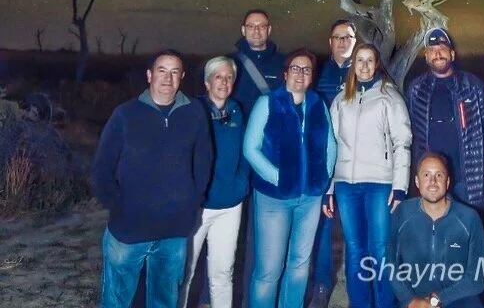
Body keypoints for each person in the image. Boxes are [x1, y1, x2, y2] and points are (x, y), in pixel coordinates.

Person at [91, 49, 212, 308]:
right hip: (128, 230)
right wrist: (118, 207)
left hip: (173, 230)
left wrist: (192, 204)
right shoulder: (125, 114)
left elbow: (204, 163)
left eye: (174, 72)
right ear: (149, 75)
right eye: (161, 70)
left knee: (165, 300)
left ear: (182, 77)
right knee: (116, 300)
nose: (167, 78)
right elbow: (101, 168)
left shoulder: (195, 113)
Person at [243, 48, 336, 308]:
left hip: (309, 199)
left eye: (306, 69)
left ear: (312, 76)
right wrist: (278, 177)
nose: (300, 73)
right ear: (285, 73)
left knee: (299, 265)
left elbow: (331, 145)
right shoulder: (268, 103)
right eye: (295, 68)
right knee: (268, 270)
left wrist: (323, 178)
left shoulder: (318, 104)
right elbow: (250, 148)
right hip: (274, 198)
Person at [326, 41, 412, 308]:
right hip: (346, 186)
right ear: (353, 65)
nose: (363, 66)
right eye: (359, 60)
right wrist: (329, 188)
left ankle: (386, 303)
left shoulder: (389, 97)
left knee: (380, 250)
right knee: (354, 250)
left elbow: (403, 141)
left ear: (377, 65)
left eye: (369, 60)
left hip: (379, 183)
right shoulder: (341, 99)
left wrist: (400, 186)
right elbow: (331, 145)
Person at [405, 27, 484, 219]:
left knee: (470, 229)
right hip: (432, 179)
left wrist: (475, 152)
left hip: (468, 178)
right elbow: (410, 130)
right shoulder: (416, 89)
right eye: (432, 50)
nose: (438, 54)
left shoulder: (472, 86)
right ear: (426, 56)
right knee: (435, 232)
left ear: (452, 54)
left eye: (442, 49)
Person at [180, 57, 249, 308]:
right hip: (199, 206)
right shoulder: (193, 110)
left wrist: (241, 184)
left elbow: (244, 151)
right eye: (218, 77)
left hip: (230, 205)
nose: (224, 82)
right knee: (184, 272)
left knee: (222, 273)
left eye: (229, 77)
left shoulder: (236, 110)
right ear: (207, 82)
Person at [389, 153, 484, 308]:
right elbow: (390, 264)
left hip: (458, 298)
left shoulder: (469, 218)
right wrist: (409, 300)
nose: (433, 182)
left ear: (447, 182)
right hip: (415, 299)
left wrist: (438, 299)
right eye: (426, 175)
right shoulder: (402, 214)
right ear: (417, 181)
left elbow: (477, 278)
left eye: (439, 175)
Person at [308, 19, 358, 308]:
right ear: (330, 42)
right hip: (324, 159)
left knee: (353, 224)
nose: (342, 42)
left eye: (348, 37)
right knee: (324, 225)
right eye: (337, 37)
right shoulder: (318, 74)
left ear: (355, 40)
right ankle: (322, 284)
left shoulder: (363, 70)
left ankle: (355, 283)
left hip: (356, 160)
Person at [232, 8, 284, 120]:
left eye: (262, 26)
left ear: (269, 30)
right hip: (238, 128)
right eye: (251, 26)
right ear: (243, 30)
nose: (256, 31)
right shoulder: (229, 62)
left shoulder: (284, 63)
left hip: (271, 129)